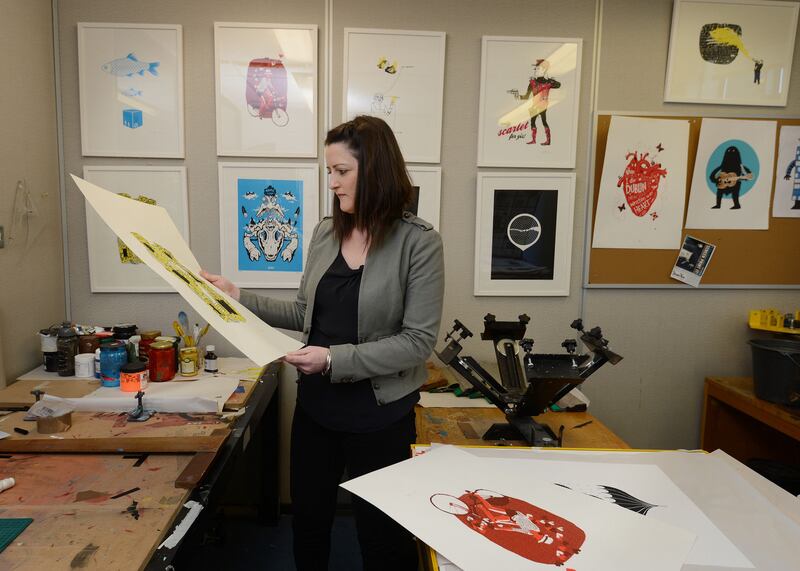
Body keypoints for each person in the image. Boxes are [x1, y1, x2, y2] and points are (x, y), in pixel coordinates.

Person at [202, 115, 445, 571]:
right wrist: (237, 297)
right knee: (309, 526)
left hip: (380, 419)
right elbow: (303, 315)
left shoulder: (420, 243)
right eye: (328, 171)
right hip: (316, 412)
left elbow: (417, 343)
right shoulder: (323, 233)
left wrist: (333, 359)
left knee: (382, 539)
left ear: (374, 169)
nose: (331, 182)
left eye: (341, 171)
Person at [510, 58, 561, 146]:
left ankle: (548, 141)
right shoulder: (532, 83)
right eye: (535, 69)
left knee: (544, 122)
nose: (535, 71)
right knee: (533, 122)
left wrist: (551, 80)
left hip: (542, 106)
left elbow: (558, 85)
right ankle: (534, 140)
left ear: (544, 70)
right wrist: (516, 95)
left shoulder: (548, 82)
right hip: (534, 106)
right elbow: (526, 96)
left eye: (538, 69)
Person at [709, 145, 752, 210]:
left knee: (735, 193)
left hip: (735, 183)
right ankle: (718, 205)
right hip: (723, 183)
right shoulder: (723, 166)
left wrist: (746, 176)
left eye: (733, 152)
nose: (731, 154)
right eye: (729, 152)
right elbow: (713, 175)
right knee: (719, 191)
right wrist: (716, 180)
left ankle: (737, 204)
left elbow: (747, 174)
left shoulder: (740, 166)